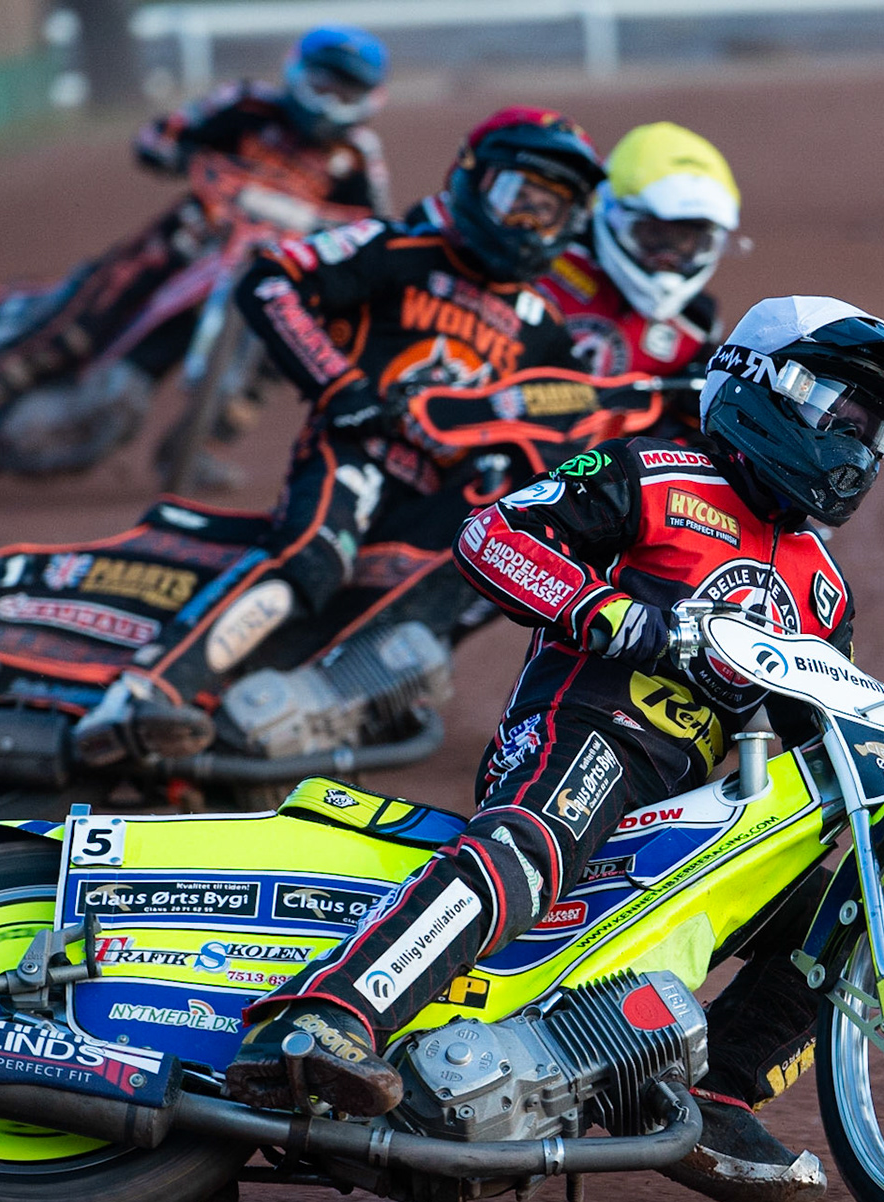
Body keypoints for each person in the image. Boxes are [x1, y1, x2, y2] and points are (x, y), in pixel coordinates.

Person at [222, 295, 884, 1202]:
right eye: (843, 418)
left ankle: (717, 1091)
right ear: (767, 388)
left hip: (677, 804)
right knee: (540, 841)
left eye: (873, 435)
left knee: (843, 892)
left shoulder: (827, 592)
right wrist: (612, 616)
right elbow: (494, 533)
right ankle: (325, 1017)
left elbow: (820, 741)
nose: (856, 450)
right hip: (585, 731)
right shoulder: (657, 470)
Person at [72, 106, 606, 767]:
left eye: (548, 211)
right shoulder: (395, 246)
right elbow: (271, 281)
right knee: (312, 561)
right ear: (472, 179)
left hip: (431, 504)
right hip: (356, 451)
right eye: (517, 198)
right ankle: (138, 692)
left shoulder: (546, 329)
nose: (527, 221)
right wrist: (341, 388)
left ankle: (252, 726)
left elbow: (565, 437)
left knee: (382, 622)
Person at [0, 27, 392, 486]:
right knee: (80, 325)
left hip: (265, 270)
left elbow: (376, 225)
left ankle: (194, 450)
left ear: (368, 99)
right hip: (184, 246)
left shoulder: (358, 155)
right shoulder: (247, 106)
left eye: (346, 92)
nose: (330, 102)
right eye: (323, 85)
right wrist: (183, 156)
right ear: (295, 72)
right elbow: (159, 134)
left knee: (285, 354)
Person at [536, 121, 739, 435]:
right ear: (612, 214)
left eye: (687, 242)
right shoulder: (542, 269)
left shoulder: (696, 327)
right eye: (654, 234)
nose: (668, 260)